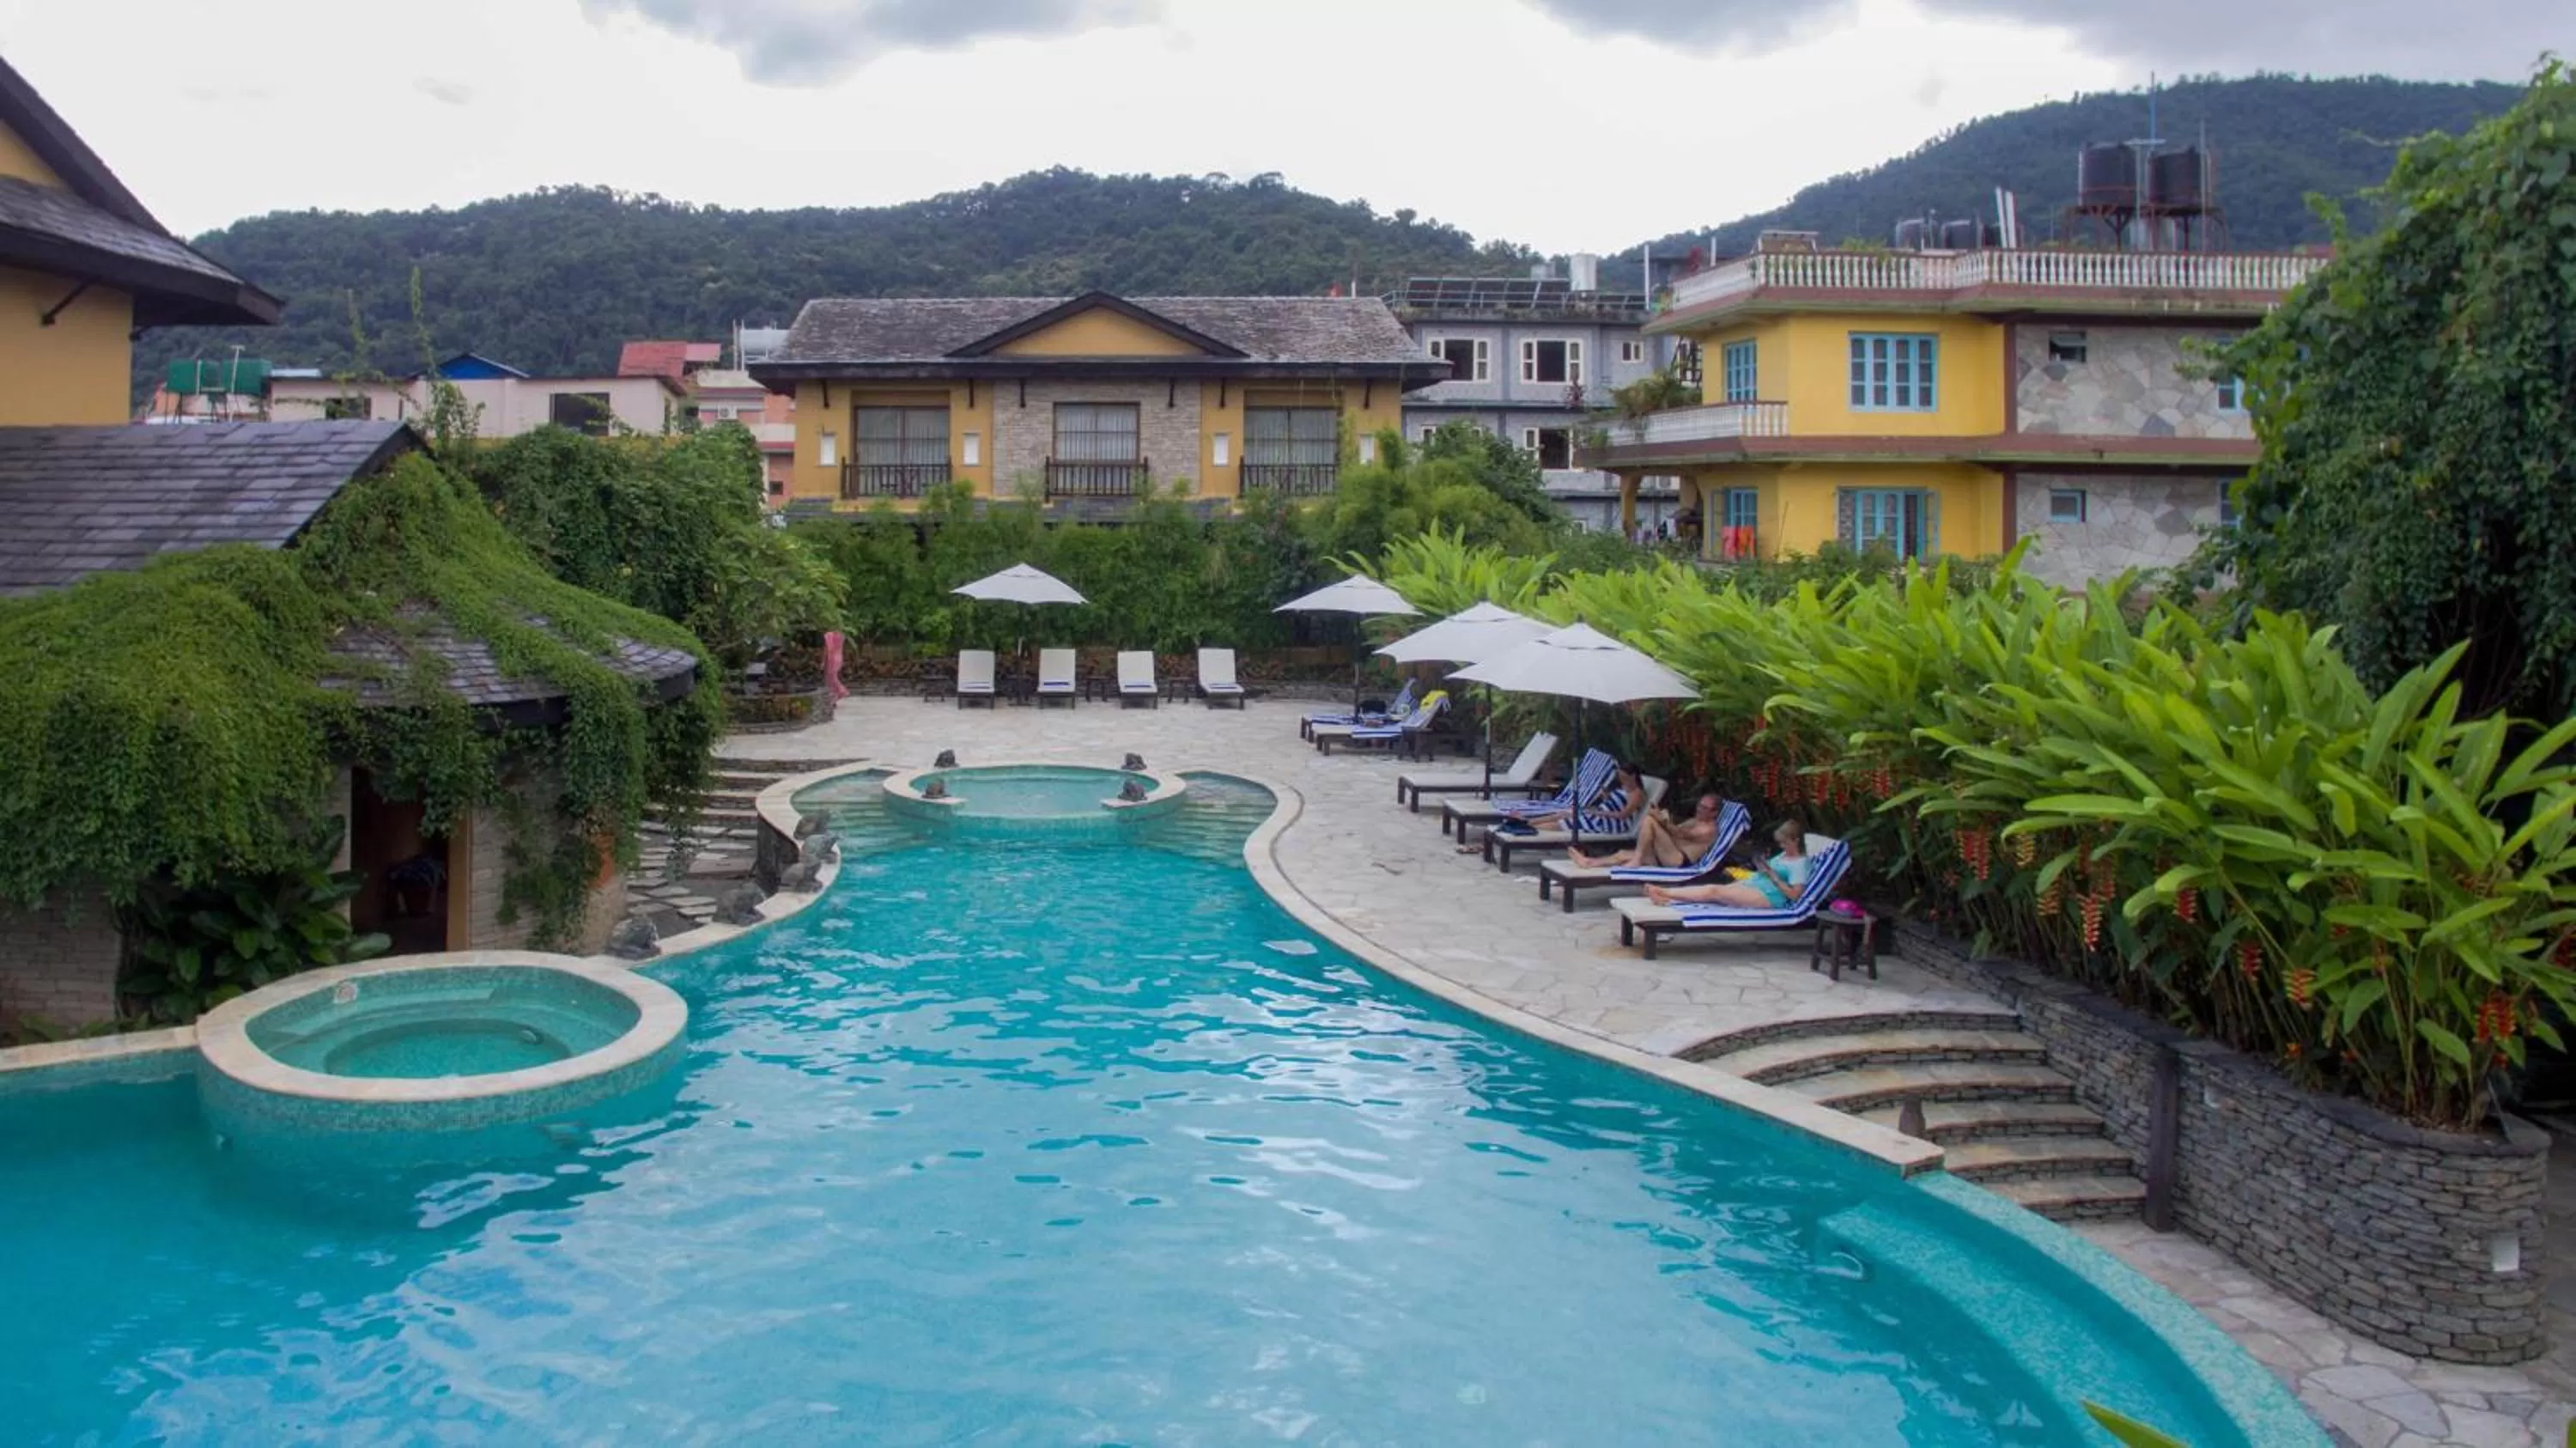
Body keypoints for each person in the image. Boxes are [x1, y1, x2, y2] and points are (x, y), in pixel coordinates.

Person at [1645, 818, 1810, 908]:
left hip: (1770, 897)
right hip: (1756, 883)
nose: (1782, 846)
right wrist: (1763, 866)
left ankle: (1663, 891)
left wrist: (1773, 877)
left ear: (1796, 840)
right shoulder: (1784, 854)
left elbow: (1795, 895)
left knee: (1714, 891)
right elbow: (1770, 871)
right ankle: (1664, 894)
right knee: (1716, 891)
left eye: (1785, 843)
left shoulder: (1800, 864)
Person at [1569, 792, 1722, 869]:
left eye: (1704, 808)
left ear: (1714, 813)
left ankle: (1637, 858)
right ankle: (1589, 862)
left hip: (1677, 860)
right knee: (1622, 853)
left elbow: (1682, 834)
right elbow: (1674, 832)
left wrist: (1662, 820)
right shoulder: (1694, 820)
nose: (1699, 809)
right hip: (1667, 853)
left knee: (1649, 820)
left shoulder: (1709, 830)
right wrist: (1663, 818)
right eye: (1700, 805)